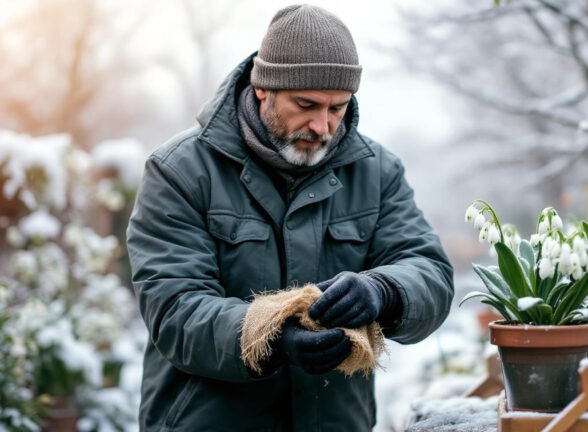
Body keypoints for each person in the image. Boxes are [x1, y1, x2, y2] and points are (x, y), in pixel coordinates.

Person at [126, 4, 453, 432]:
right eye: (306, 104)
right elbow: (176, 310)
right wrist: (273, 337)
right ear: (263, 88)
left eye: (338, 108)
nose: (323, 126)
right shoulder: (180, 171)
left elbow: (430, 272)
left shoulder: (377, 172)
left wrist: (383, 290)